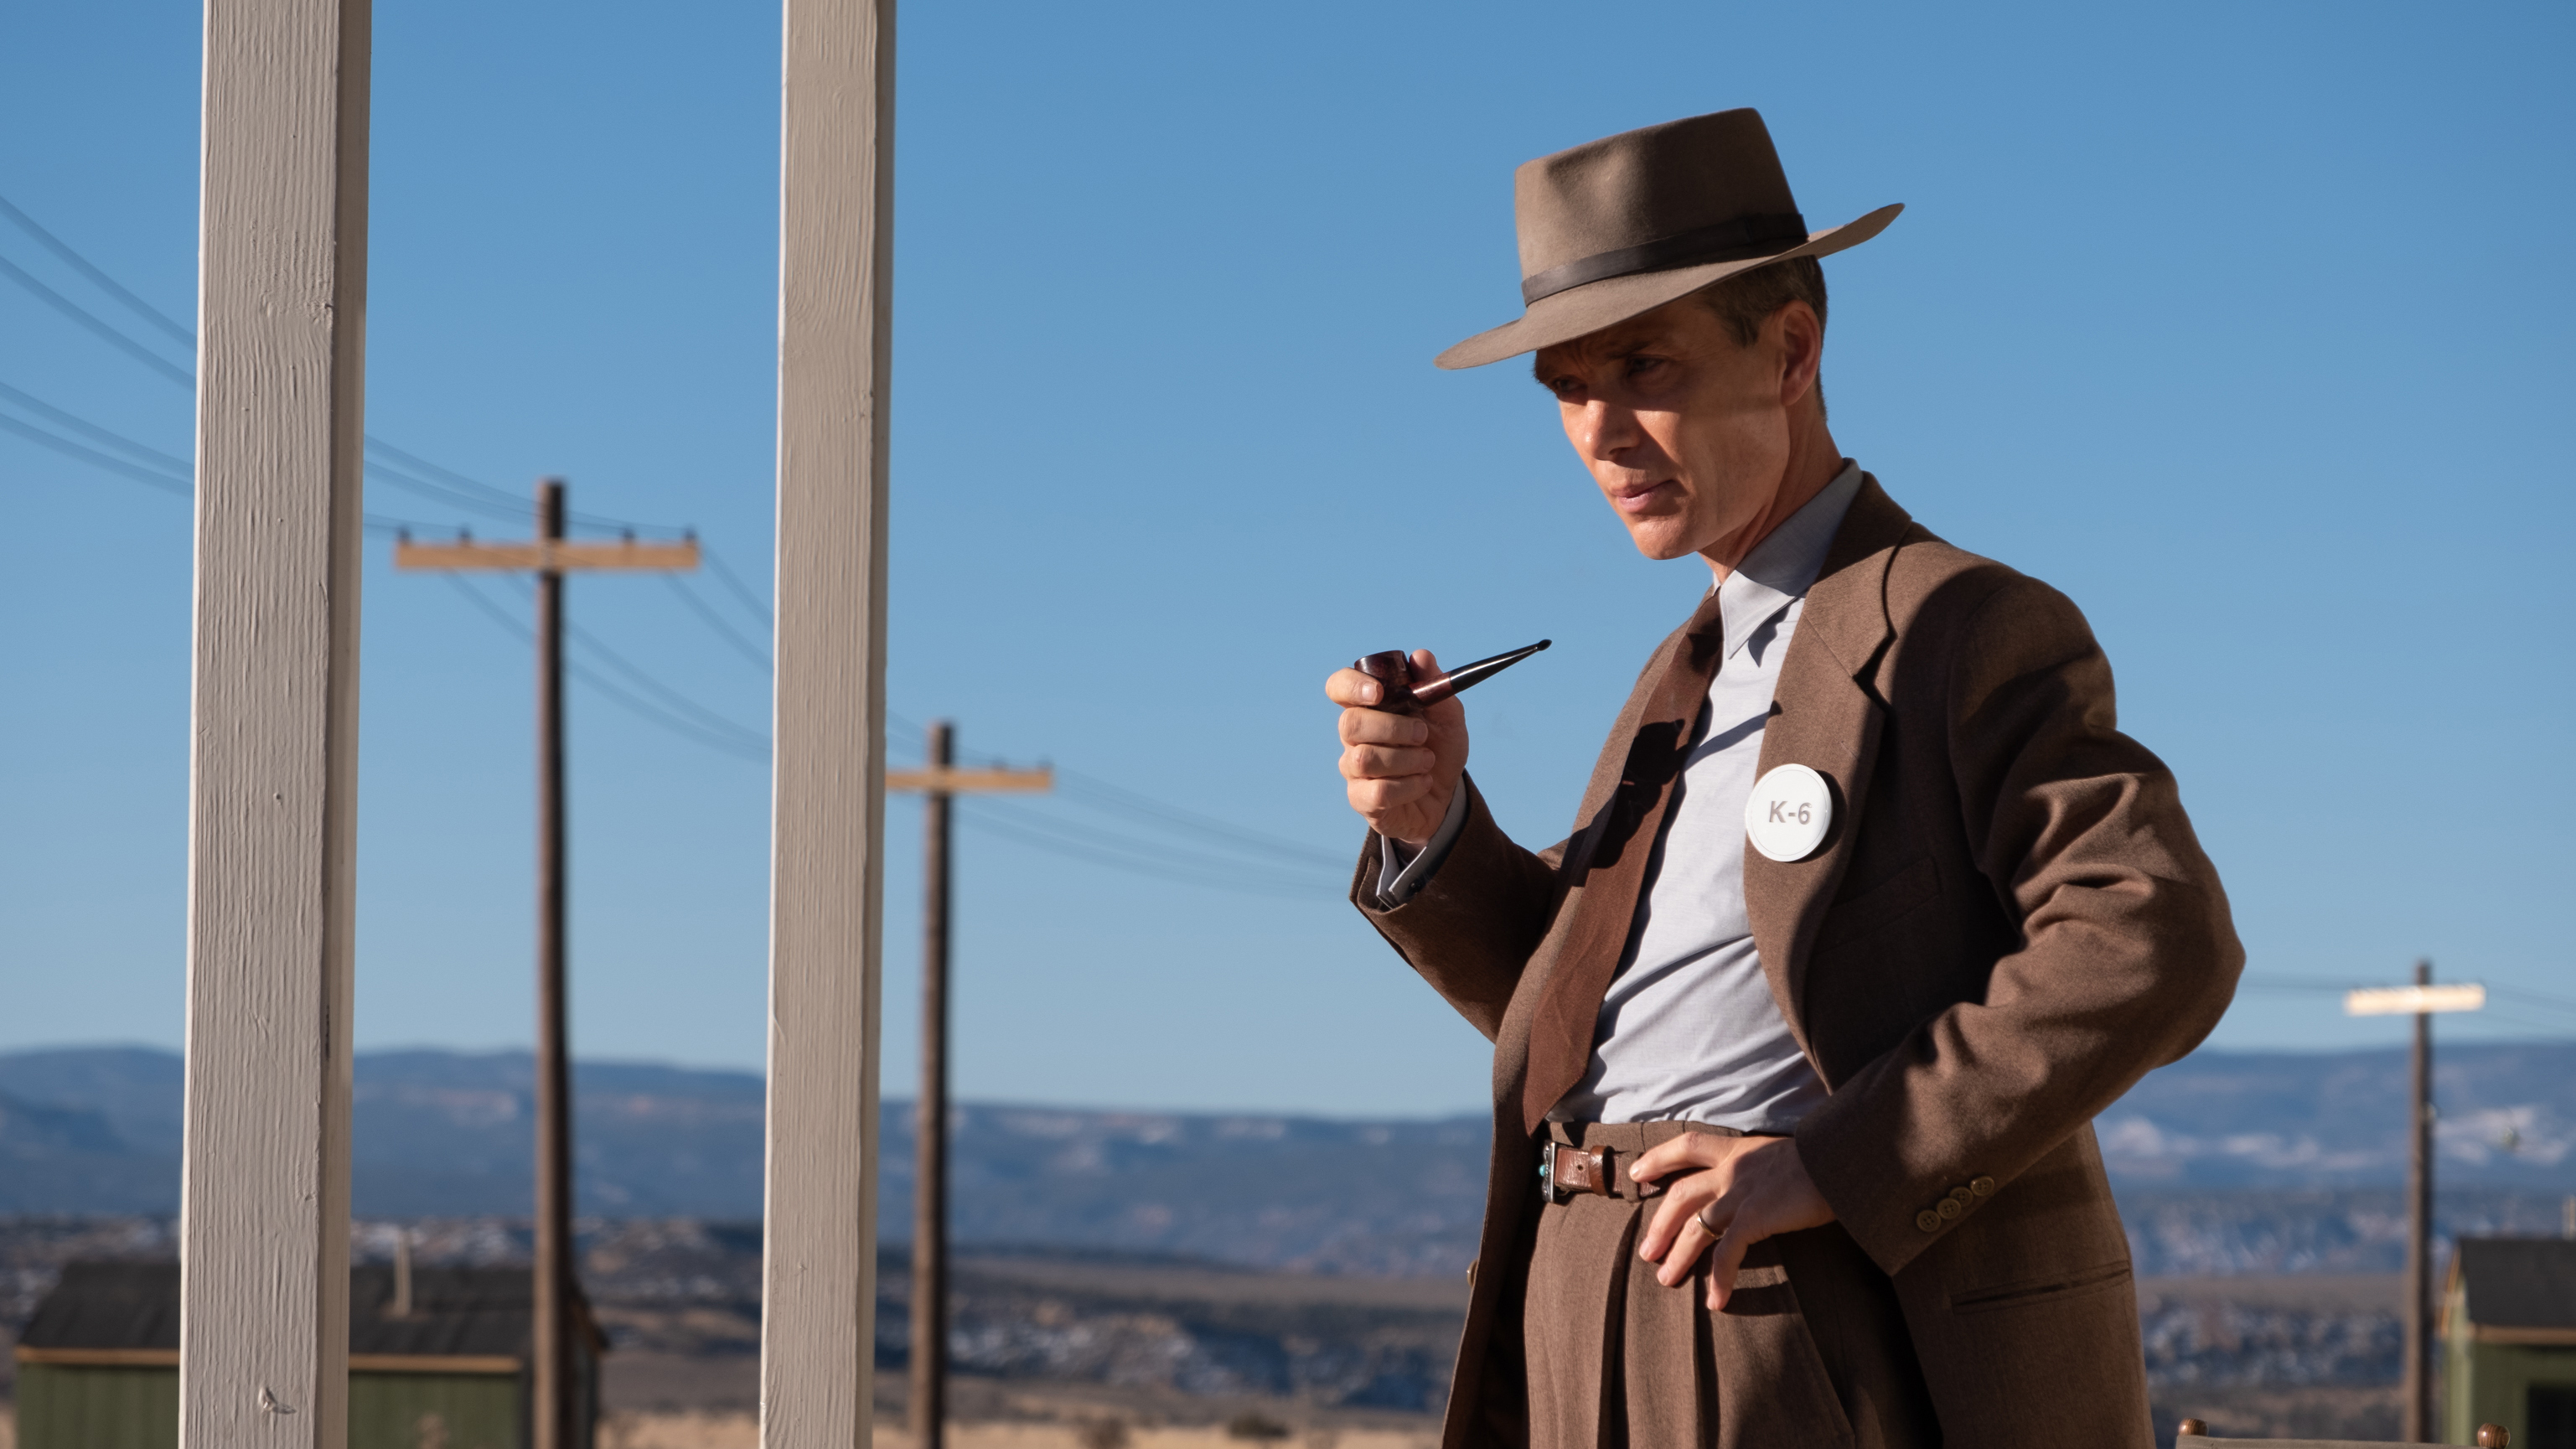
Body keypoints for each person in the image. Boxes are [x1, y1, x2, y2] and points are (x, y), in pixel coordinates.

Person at [1326, 108, 2242, 1449]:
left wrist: (1841, 1161)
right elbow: (1578, 1022)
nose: (1599, 430)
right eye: (1565, 387)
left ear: (1792, 351)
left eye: (1642, 365)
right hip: (1582, 1293)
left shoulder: (1952, 621)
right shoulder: (1680, 673)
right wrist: (1433, 828)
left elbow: (2152, 936)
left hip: (1779, 1302)